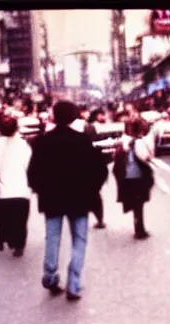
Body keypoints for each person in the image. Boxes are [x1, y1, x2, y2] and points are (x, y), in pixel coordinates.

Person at [27, 101, 108, 301]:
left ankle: (51, 276)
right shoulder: (82, 140)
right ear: (73, 117)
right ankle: (73, 284)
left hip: (52, 199)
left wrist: (41, 190)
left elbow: (32, 173)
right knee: (79, 240)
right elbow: (99, 169)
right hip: (79, 199)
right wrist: (91, 189)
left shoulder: (43, 142)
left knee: (52, 238)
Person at [0, 112, 32, 257]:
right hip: (20, 190)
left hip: (1, 191)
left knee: (1, 217)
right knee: (20, 219)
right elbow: (29, 165)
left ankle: (3, 237)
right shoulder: (24, 145)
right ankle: (18, 245)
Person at [112, 118, 155, 240]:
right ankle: (139, 230)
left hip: (126, 176)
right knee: (139, 204)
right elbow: (145, 157)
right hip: (138, 176)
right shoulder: (139, 142)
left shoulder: (123, 140)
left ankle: (138, 227)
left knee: (135, 203)